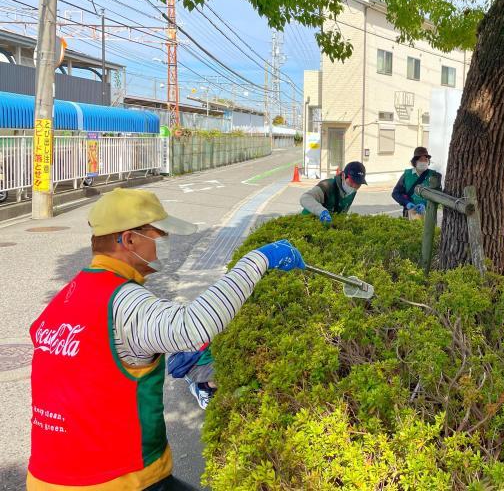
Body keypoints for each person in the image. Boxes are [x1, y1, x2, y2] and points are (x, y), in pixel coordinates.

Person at [28, 188, 305, 490]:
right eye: (158, 235)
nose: (164, 245)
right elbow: (191, 326)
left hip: (48, 475)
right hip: (116, 479)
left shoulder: (68, 297)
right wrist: (259, 259)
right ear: (129, 239)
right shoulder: (122, 301)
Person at [300, 161, 367, 225]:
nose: (354, 186)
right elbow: (305, 198)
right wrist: (322, 212)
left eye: (358, 184)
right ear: (343, 176)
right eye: (352, 182)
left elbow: (342, 213)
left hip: (326, 228)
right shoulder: (327, 185)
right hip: (307, 224)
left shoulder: (352, 192)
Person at [391, 147, 439, 220]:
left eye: (425, 160)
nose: (423, 162)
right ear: (415, 161)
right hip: (409, 214)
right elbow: (396, 193)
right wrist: (406, 203)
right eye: (420, 160)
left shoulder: (434, 175)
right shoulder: (407, 175)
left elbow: (437, 195)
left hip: (429, 215)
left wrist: (424, 204)